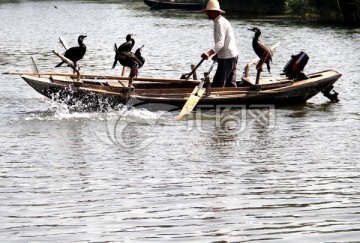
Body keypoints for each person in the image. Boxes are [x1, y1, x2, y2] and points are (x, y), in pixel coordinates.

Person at [201, 0, 239, 87]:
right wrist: (217, 54)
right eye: (207, 12)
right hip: (231, 56)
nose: (207, 14)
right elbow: (224, 42)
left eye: (209, 12)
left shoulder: (219, 23)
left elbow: (220, 43)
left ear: (215, 12)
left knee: (218, 84)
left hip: (227, 57)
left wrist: (208, 53)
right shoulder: (219, 21)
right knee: (230, 84)